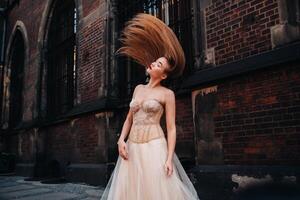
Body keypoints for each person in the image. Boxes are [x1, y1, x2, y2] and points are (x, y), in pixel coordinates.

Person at [100, 13, 200, 200]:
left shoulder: (166, 94)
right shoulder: (138, 88)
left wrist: (169, 158)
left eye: (159, 64)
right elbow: (130, 118)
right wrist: (121, 140)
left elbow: (171, 129)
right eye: (156, 61)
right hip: (132, 147)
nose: (154, 63)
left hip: (154, 147)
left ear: (163, 75)